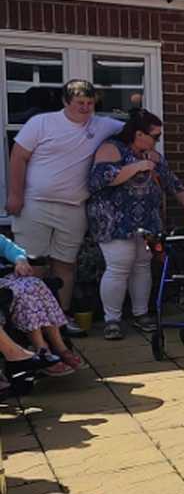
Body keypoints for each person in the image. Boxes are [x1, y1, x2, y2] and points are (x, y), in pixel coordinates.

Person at [6, 80, 126, 337]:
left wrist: (149, 149)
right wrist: (15, 196)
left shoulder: (101, 125)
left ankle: (61, 318)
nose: (85, 108)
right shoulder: (42, 123)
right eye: (80, 103)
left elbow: (134, 131)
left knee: (65, 265)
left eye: (90, 103)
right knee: (32, 263)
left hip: (74, 208)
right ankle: (26, 320)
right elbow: (18, 156)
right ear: (65, 102)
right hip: (35, 204)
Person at [87, 109, 184, 340]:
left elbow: (172, 182)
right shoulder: (111, 148)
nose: (157, 141)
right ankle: (112, 320)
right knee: (119, 266)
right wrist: (137, 166)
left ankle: (141, 314)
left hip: (147, 220)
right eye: (155, 136)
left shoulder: (152, 155)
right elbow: (99, 179)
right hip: (114, 219)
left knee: (142, 264)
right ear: (139, 134)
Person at [0, 233, 80, 377]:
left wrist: (20, 260)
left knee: (34, 284)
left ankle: (58, 346)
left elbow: (9, 247)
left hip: (6, 279)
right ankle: (42, 348)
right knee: (23, 291)